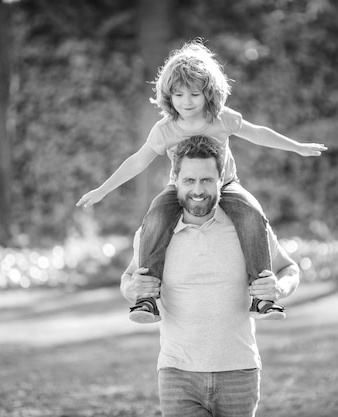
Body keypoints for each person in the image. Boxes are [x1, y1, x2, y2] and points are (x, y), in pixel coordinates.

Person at [77, 39, 322, 322]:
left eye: (194, 93)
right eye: (178, 95)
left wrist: (297, 147)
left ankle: (263, 297)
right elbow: (138, 160)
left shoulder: (221, 119)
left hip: (226, 184)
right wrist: (103, 190)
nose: (187, 101)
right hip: (179, 187)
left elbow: (258, 133)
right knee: (156, 216)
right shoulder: (166, 129)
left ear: (209, 93)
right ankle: (146, 299)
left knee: (252, 214)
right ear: (168, 96)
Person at [121, 135, 300, 417]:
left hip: (239, 372)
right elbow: (129, 277)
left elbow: (289, 269)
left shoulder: (248, 227)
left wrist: (279, 288)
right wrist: (133, 289)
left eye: (206, 180)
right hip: (177, 374)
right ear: (175, 180)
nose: (198, 190)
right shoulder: (152, 233)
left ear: (222, 180)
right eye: (189, 181)